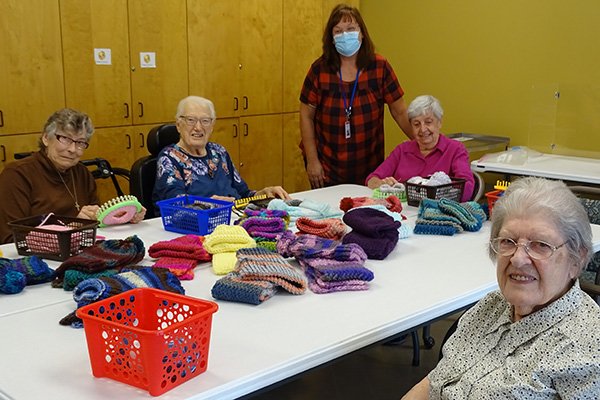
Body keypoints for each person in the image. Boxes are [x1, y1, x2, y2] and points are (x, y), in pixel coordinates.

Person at [402, 177, 600, 399]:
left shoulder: (587, 348)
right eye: (508, 241)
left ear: (576, 259)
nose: (518, 259)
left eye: (540, 245)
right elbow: (434, 381)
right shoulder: (489, 307)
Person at [299, 3, 412, 189]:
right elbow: (306, 116)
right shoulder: (319, 69)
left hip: (370, 168)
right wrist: (312, 161)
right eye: (338, 31)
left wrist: (424, 143)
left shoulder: (379, 66)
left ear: (361, 33)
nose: (345, 35)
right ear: (331, 38)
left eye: (350, 29)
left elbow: (400, 112)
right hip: (327, 167)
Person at [0, 108, 145, 244]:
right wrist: (73, 226)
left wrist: (124, 217)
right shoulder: (17, 174)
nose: (72, 149)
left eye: (80, 143)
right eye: (65, 139)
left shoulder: (81, 172)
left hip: (78, 251)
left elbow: (98, 224)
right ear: (46, 138)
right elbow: (11, 239)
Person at [152, 96, 290, 205]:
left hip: (232, 220)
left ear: (212, 126)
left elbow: (243, 193)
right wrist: (211, 204)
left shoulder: (219, 152)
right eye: (191, 120)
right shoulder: (169, 158)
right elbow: (175, 204)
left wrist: (263, 194)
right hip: (194, 229)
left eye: (205, 121)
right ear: (178, 125)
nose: (198, 127)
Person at [365, 95, 474, 202]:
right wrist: (381, 184)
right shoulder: (402, 150)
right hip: (402, 212)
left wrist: (437, 193)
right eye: (416, 124)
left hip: (437, 212)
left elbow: (467, 188)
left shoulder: (455, 149)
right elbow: (371, 180)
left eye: (428, 122)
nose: (423, 129)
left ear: (439, 123)